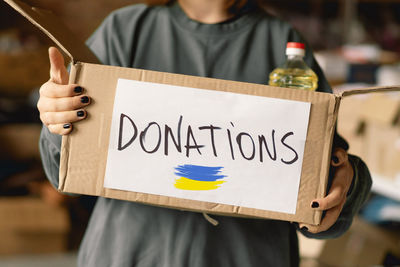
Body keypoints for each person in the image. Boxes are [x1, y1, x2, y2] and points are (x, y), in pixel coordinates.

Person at [37, 0, 372, 266]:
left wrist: (346, 182)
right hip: (129, 254)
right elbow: (62, 171)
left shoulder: (285, 46)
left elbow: (325, 180)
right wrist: (58, 119)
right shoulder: (125, 31)